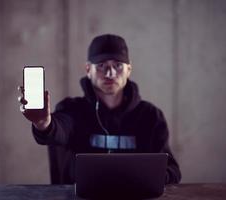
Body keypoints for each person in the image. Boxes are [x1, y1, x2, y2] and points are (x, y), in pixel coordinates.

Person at [18, 34, 181, 184]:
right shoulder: (72, 109)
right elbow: (57, 130)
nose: (110, 73)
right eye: (102, 65)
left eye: (118, 66)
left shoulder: (150, 116)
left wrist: (151, 177)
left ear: (129, 70)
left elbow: (172, 171)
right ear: (88, 70)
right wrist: (43, 123)